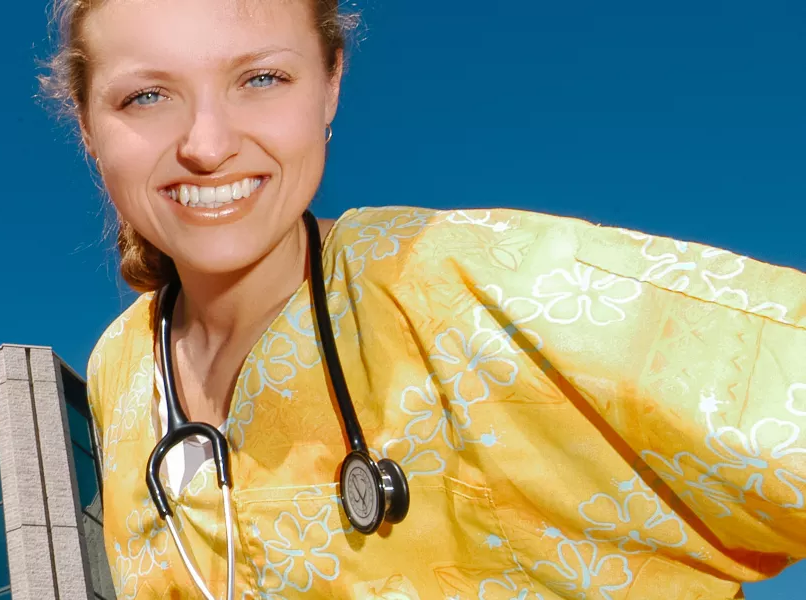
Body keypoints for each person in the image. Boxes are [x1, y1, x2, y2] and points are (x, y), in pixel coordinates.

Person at [43, 0, 806, 598]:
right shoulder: (120, 368)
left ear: (331, 80)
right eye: (147, 96)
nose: (206, 143)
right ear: (86, 124)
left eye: (261, 79)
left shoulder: (455, 279)